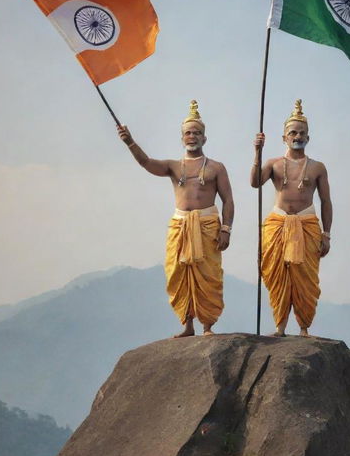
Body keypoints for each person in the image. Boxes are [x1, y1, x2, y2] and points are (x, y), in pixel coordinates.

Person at [117, 100, 234, 337]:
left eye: (197, 133)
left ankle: (208, 325)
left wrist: (226, 229)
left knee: (208, 275)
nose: (192, 136)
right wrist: (130, 142)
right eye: (188, 133)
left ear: (204, 138)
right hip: (180, 226)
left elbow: (228, 200)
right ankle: (188, 325)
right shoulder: (173, 166)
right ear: (182, 138)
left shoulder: (216, 168)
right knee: (179, 274)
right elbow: (146, 163)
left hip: (207, 225)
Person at [251, 99, 333, 337]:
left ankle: (304, 328)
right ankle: (280, 327)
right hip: (278, 223)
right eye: (293, 132)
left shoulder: (317, 167)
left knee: (305, 278)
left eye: (302, 132)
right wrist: (257, 152)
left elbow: (326, 201)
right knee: (277, 274)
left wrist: (326, 234)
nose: (297, 136)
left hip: (307, 223)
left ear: (308, 137)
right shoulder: (273, 163)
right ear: (284, 137)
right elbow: (255, 182)